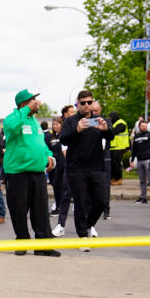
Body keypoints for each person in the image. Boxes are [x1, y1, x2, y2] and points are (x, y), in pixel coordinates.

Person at [1, 90, 58, 256]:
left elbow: (40, 143)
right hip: (18, 172)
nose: (37, 103)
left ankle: (43, 246)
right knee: (19, 209)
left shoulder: (34, 122)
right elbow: (11, 127)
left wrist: (49, 156)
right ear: (23, 103)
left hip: (37, 173)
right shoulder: (13, 118)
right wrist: (25, 111)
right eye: (33, 100)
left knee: (41, 209)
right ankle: (22, 241)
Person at [59, 90, 113, 247]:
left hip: (97, 166)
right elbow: (63, 139)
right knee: (81, 203)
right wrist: (77, 130)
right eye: (83, 103)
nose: (87, 106)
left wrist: (105, 130)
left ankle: (88, 225)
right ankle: (82, 236)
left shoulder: (100, 120)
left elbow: (111, 137)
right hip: (76, 169)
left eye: (89, 102)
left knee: (102, 200)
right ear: (78, 104)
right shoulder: (70, 121)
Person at [48, 116, 71, 236]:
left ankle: (62, 210)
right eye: (54, 124)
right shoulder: (52, 137)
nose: (55, 126)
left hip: (64, 166)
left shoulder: (63, 136)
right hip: (54, 166)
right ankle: (57, 206)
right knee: (55, 186)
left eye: (57, 124)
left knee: (64, 190)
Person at [130, 114, 150, 204]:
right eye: (142, 126)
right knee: (142, 180)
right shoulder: (136, 136)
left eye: (146, 126)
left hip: (148, 160)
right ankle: (143, 197)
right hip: (140, 160)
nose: (144, 127)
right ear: (139, 127)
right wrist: (132, 159)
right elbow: (134, 149)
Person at [109, 110, 130, 185]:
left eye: (111, 117)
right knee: (112, 163)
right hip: (113, 146)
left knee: (116, 163)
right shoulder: (114, 123)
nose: (110, 119)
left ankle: (118, 179)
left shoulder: (121, 123)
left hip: (120, 146)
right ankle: (113, 178)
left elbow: (114, 131)